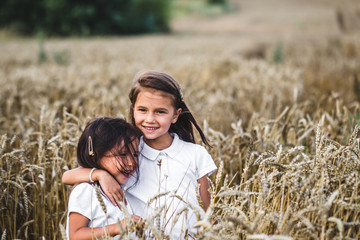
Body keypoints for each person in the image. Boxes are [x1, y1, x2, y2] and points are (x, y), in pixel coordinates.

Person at [63, 70, 217, 239]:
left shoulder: (195, 154)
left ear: (175, 115)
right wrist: (100, 174)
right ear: (133, 109)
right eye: (142, 110)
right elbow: (68, 176)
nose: (150, 119)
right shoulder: (128, 152)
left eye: (160, 112)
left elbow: (208, 210)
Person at [64, 117, 143, 240]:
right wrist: (117, 227)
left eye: (135, 154)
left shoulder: (123, 187)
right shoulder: (85, 190)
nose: (131, 163)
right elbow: (74, 235)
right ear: (95, 156)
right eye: (123, 154)